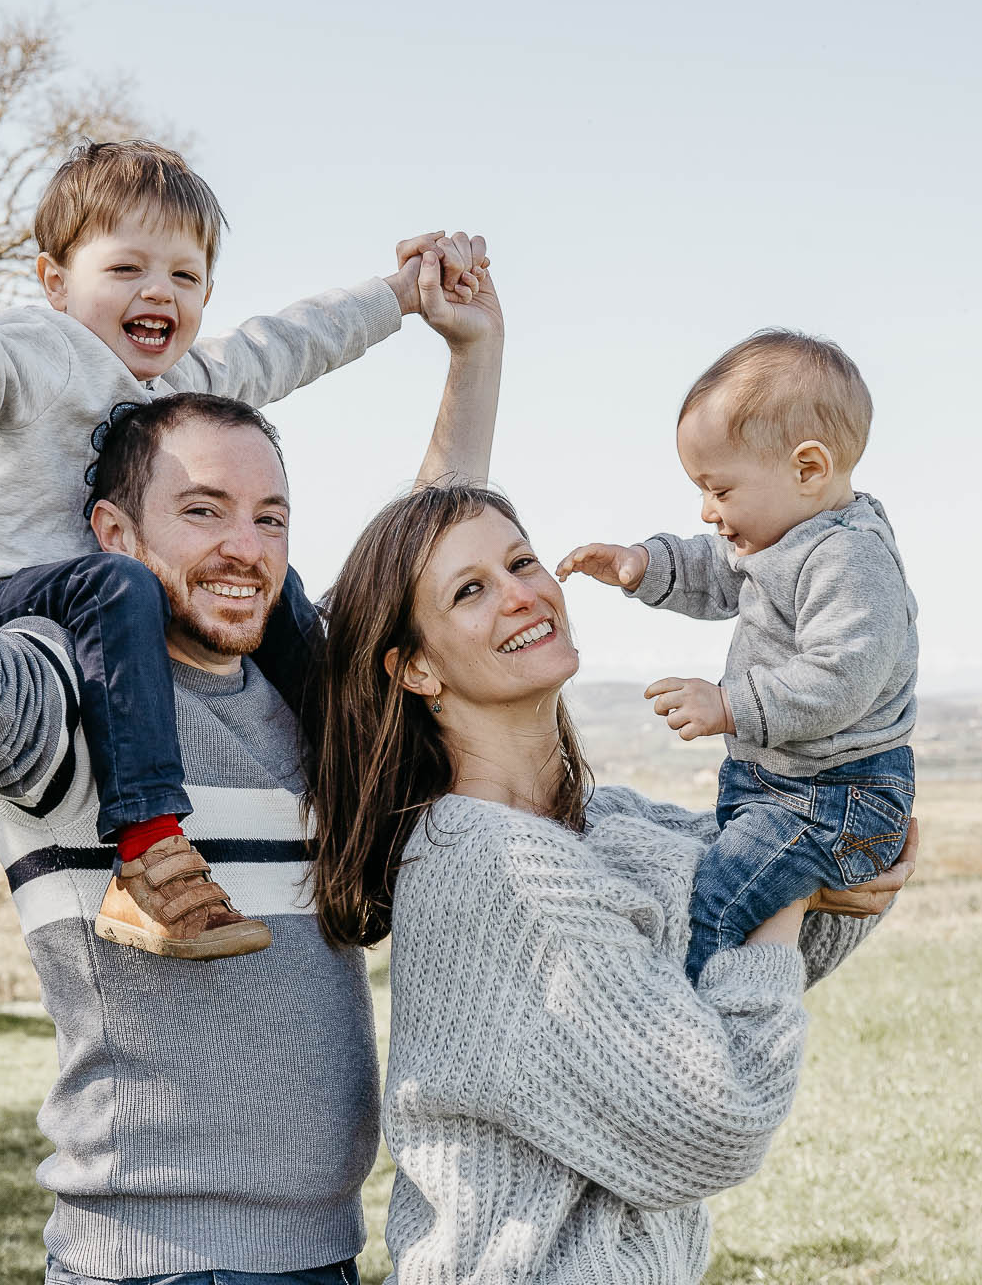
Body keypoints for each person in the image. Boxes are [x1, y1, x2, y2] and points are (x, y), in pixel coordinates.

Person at [0, 203, 505, 1284]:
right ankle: (152, 849)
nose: (244, 544)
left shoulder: (298, 698)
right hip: (157, 1263)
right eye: (204, 509)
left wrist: (463, 345)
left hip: (327, 1251)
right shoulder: (68, 704)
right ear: (115, 532)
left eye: (271, 517)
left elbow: (424, 570)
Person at [0, 135, 487, 960]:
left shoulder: (181, 390)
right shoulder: (46, 351)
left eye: (183, 277)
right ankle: (147, 850)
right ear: (55, 283)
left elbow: (290, 342)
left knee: (279, 593)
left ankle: (353, 783)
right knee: (124, 586)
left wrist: (401, 293)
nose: (159, 292)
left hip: (104, 599)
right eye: (126, 270)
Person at [303, 482, 915, 1283]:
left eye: (521, 561)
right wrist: (795, 873)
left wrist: (830, 844)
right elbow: (715, 1118)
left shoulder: (604, 827)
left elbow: (793, 935)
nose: (522, 595)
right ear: (416, 668)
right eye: (471, 590)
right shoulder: (497, 866)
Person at [557, 330, 917, 981]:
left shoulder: (852, 558)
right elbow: (713, 567)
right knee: (722, 894)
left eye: (719, 490)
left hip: (837, 797)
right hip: (778, 787)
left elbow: (840, 680)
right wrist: (644, 565)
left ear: (808, 469)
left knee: (715, 905)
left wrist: (729, 704)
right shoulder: (779, 539)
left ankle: (692, 1041)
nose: (707, 510)